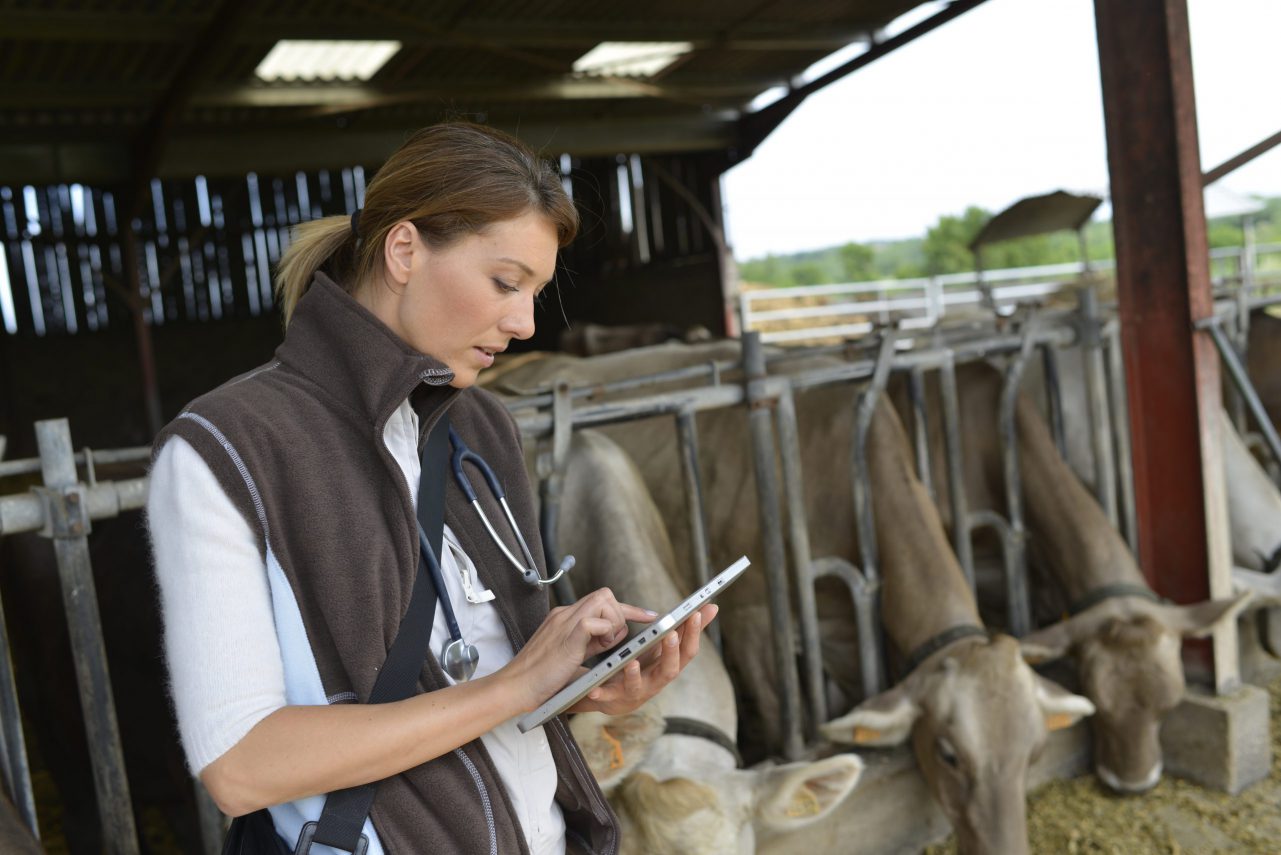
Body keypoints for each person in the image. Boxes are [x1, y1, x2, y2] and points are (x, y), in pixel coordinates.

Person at [147, 122, 717, 855]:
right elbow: (241, 767)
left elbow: (487, 693)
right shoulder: (221, 450)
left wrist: (577, 683)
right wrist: (516, 684)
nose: (523, 322)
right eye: (505, 283)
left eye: (535, 292)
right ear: (405, 250)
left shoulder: (480, 426)